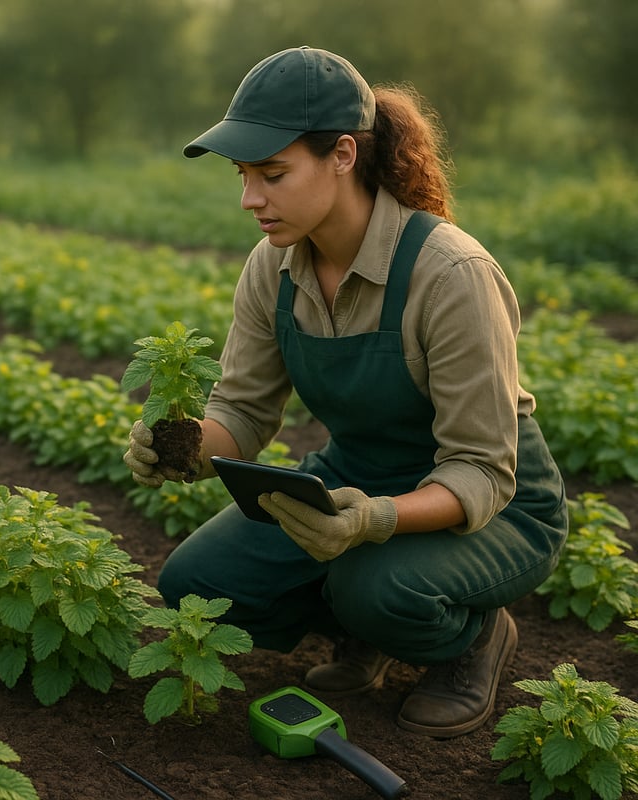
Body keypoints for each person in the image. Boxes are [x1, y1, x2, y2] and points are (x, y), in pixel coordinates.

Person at [124, 46, 567, 738]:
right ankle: (365, 632)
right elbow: (241, 412)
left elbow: (481, 470)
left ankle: (474, 640)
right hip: (354, 477)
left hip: (496, 507)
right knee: (197, 585)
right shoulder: (274, 266)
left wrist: (372, 521)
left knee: (376, 588)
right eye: (244, 176)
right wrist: (178, 445)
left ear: (343, 156)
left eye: (273, 174)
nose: (250, 199)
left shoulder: (450, 274)